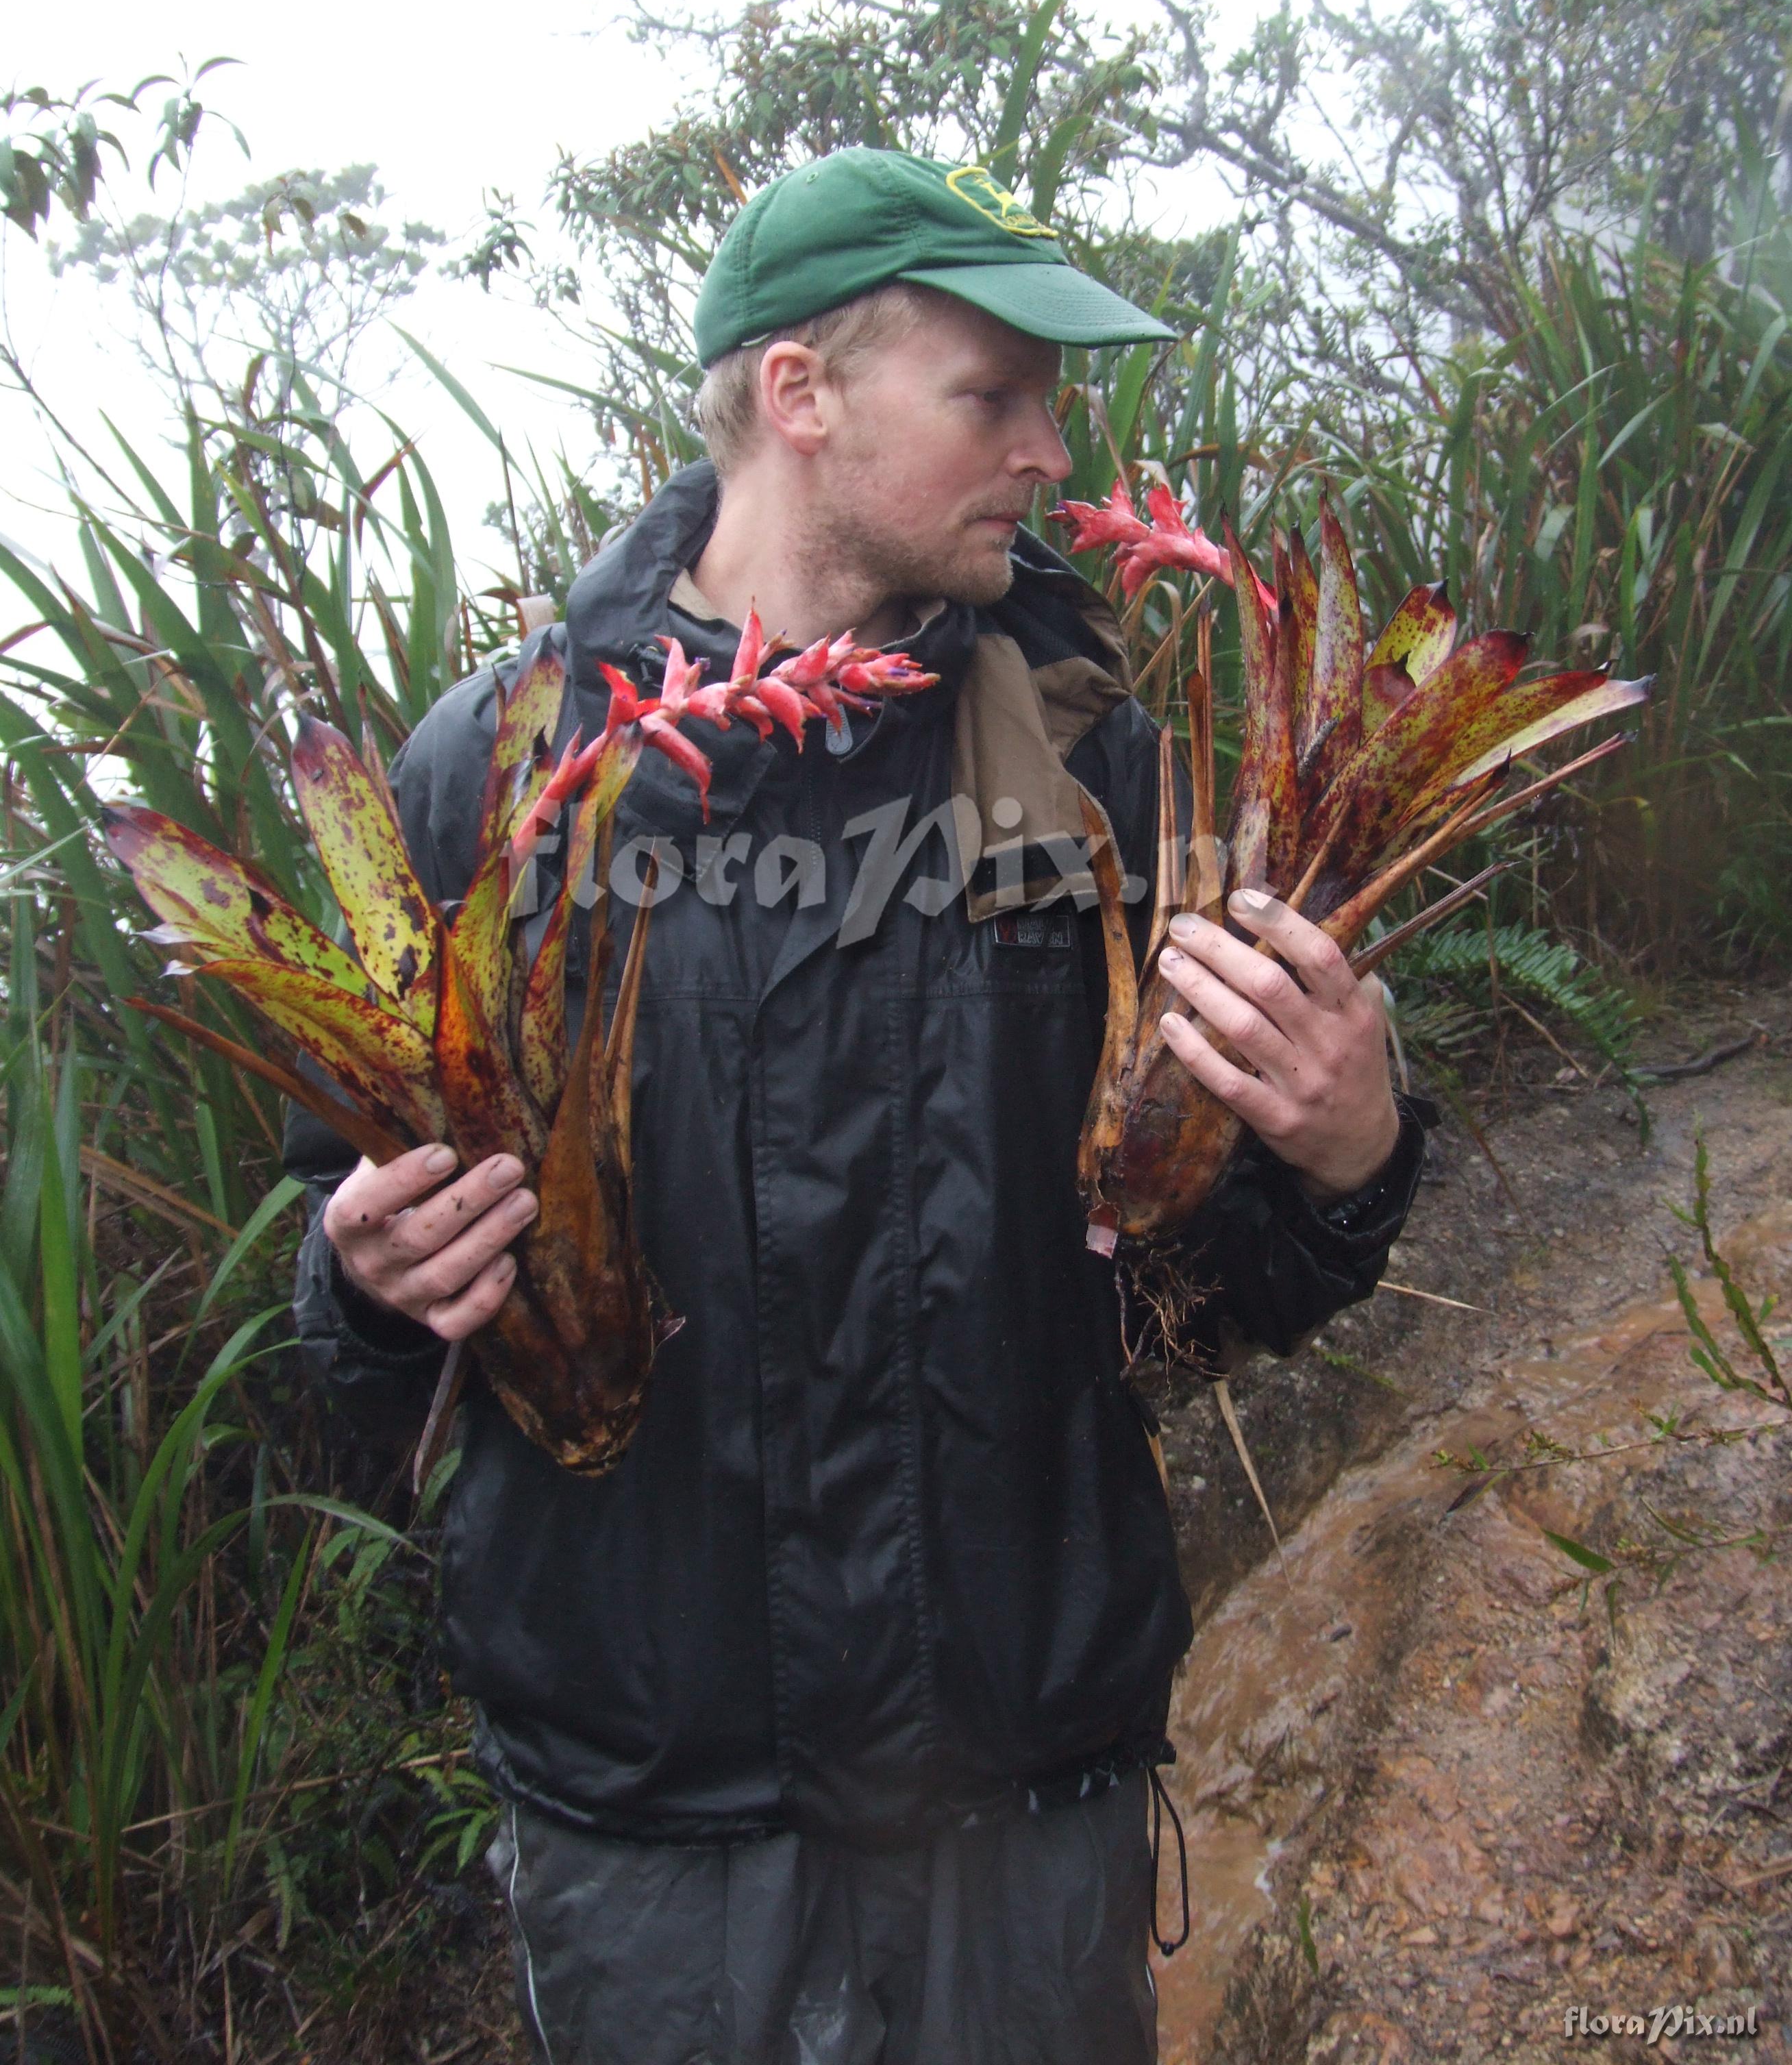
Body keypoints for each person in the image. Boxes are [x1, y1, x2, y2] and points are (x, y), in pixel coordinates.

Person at [287, 147, 1430, 2065]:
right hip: (651, 1827)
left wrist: (1348, 1156)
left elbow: (1195, 1302)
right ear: (804, 398)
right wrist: (370, 1282)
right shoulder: (504, 775)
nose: (1052, 448)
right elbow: (350, 1319)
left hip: (1021, 1803)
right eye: (995, 394)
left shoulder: (1099, 777)